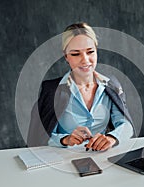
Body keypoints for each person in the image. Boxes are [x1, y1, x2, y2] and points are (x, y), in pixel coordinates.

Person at [35, 22, 135, 151]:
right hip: (63, 159)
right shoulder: (51, 90)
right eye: (76, 54)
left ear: (96, 51)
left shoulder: (111, 85)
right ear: (66, 56)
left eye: (90, 52)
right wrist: (65, 139)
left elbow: (126, 125)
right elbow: (40, 136)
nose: (85, 60)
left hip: (102, 157)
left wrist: (111, 138)